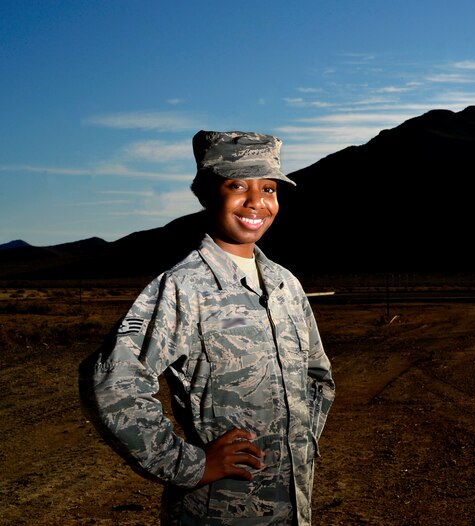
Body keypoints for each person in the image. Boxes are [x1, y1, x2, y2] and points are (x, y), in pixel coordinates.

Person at [80, 130, 335, 525]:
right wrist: (189, 465)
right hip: (217, 510)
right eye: (237, 185)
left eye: (269, 188)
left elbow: (318, 376)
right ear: (206, 194)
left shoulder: (285, 284)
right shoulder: (183, 287)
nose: (257, 202)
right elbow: (112, 382)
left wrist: (295, 441)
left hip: (292, 506)